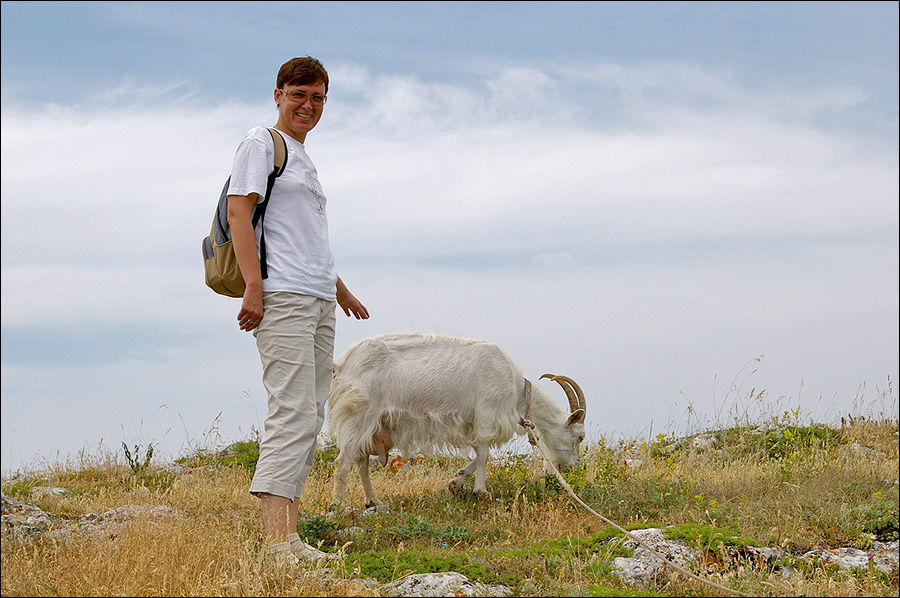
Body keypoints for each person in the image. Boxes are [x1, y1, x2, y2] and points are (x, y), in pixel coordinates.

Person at [226, 56, 369, 566]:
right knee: (290, 412)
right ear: (278, 94)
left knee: (310, 416)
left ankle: (290, 538)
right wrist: (253, 286)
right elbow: (238, 212)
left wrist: (341, 290)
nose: (308, 105)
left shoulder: (304, 159)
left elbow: (304, 241)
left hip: (315, 297)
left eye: (317, 98)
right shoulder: (260, 142)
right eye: (298, 95)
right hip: (281, 297)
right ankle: (277, 546)